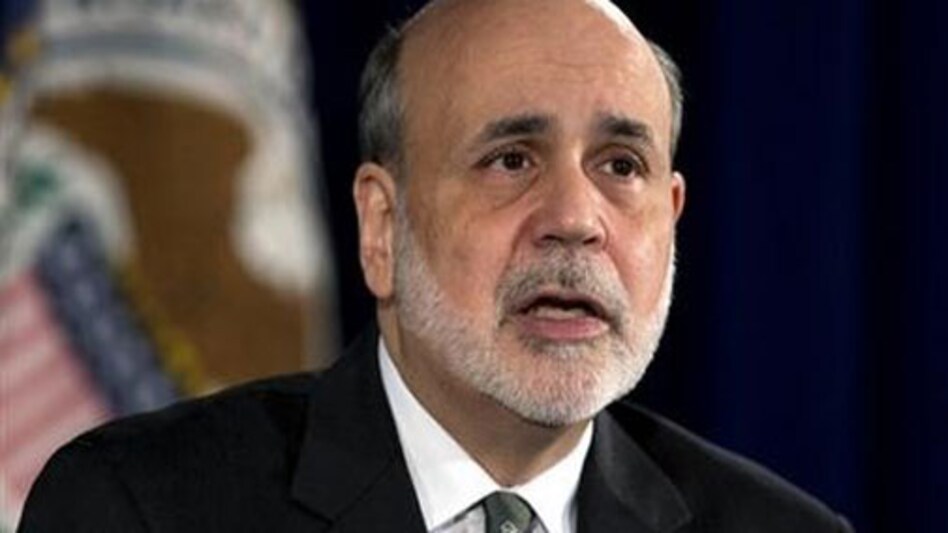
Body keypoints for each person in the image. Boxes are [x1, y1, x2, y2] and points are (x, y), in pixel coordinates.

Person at [18, 0, 853, 531]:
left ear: (670, 218)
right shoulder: (141, 507)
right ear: (382, 227)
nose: (574, 220)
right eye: (511, 160)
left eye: (620, 166)